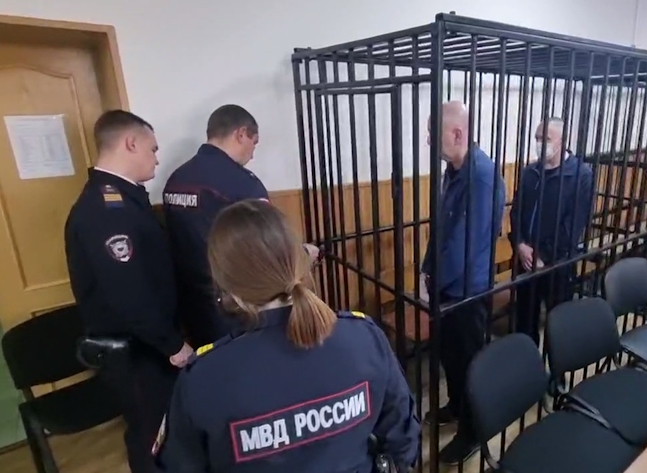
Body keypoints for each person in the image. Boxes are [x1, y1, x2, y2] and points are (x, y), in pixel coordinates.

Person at [153, 199, 421, 473]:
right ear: (299, 262)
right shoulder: (365, 339)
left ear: (227, 288)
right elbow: (404, 441)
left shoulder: (204, 378)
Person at [64, 110, 193, 473]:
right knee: (150, 434)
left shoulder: (123, 198)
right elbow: (130, 295)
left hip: (148, 343)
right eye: (153, 149)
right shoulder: (106, 210)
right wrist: (172, 345)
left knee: (163, 427)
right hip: (137, 350)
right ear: (131, 143)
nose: (157, 158)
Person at [162, 104, 319, 347]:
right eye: (254, 143)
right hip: (234, 303)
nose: (253, 154)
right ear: (241, 134)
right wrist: (304, 254)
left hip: (191, 301)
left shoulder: (176, 180)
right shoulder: (241, 184)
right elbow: (268, 246)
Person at [419, 101, 506, 465]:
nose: (428, 141)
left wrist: (433, 281)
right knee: (450, 356)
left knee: (470, 363)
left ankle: (471, 433)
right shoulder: (454, 172)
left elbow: (463, 245)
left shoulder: (481, 176)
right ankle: (456, 407)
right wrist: (426, 271)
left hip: (468, 291)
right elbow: (440, 229)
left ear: (456, 134)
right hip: (448, 287)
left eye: (432, 133)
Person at [508, 117, 594, 347]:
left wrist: (542, 256)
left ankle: (557, 367)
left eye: (545, 139)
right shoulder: (530, 172)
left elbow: (572, 226)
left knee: (558, 325)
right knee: (525, 322)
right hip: (526, 261)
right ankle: (527, 363)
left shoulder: (580, 175)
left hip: (558, 262)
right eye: (537, 138)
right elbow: (516, 212)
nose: (539, 143)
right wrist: (520, 245)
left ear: (562, 141)